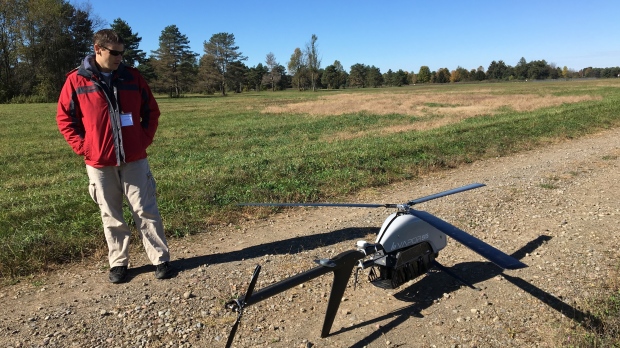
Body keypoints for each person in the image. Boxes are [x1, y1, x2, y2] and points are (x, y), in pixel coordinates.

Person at [57, 29, 171, 283]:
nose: (120, 57)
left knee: (146, 209)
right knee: (111, 214)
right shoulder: (76, 81)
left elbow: (151, 111)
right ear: (98, 49)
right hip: (99, 162)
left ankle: (160, 260)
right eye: (115, 53)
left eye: (122, 53)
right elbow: (65, 119)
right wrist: (84, 148)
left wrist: (143, 140)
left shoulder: (132, 77)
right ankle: (119, 263)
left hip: (134, 159)